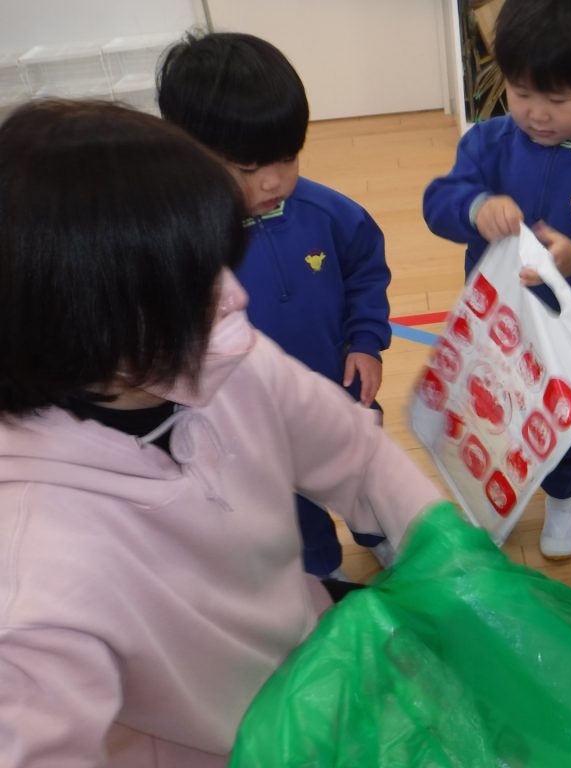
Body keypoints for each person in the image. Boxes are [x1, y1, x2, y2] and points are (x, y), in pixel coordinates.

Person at [0, 100, 442, 766]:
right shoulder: (36, 572)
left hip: (312, 659)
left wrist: (438, 538)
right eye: (192, 289)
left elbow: (353, 449)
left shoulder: (214, 361)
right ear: (82, 319)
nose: (234, 299)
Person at [158, 32, 394, 584]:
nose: (274, 180)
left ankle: (379, 533)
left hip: (339, 390)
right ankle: (323, 572)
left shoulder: (329, 213)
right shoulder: (183, 242)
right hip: (252, 418)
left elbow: (366, 271)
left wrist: (366, 340)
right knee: (291, 502)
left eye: (287, 157)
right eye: (246, 167)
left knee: (363, 473)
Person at [422, 0, 571, 560]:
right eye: (522, 92)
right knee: (497, 406)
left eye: (558, 99)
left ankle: (565, 492)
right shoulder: (487, 143)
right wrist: (475, 208)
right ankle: (492, 486)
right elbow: (439, 201)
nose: (536, 114)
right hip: (496, 317)